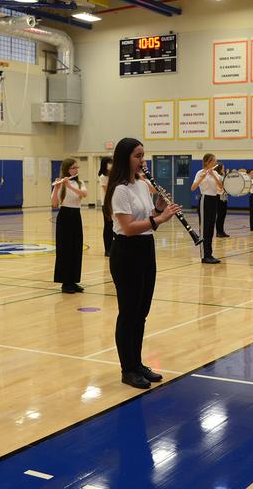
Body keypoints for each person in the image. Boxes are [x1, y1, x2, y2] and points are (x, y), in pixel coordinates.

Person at [104, 138, 182, 389]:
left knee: (142, 313)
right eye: (138, 156)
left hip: (146, 249)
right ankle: (128, 369)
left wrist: (159, 206)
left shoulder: (142, 184)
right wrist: (160, 219)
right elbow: (127, 228)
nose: (143, 160)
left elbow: (146, 217)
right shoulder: (119, 190)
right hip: (126, 251)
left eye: (143, 155)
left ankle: (137, 363)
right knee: (129, 313)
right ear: (125, 157)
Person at [52, 158, 88, 293]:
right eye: (74, 168)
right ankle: (65, 282)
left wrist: (70, 186)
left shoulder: (80, 183)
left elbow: (84, 194)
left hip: (76, 216)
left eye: (77, 167)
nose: (76, 170)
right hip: (64, 216)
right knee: (64, 250)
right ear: (67, 169)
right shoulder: (60, 184)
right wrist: (56, 188)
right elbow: (55, 204)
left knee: (76, 249)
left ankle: (73, 281)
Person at [192, 153, 224, 263]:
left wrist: (213, 175)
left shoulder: (215, 173)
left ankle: (209, 254)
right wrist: (202, 177)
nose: (216, 162)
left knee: (210, 228)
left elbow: (221, 186)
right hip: (204, 200)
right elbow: (193, 188)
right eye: (214, 160)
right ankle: (204, 256)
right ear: (208, 162)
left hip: (214, 199)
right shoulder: (200, 173)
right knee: (204, 229)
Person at [98, 157, 113, 256]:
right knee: (108, 226)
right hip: (107, 204)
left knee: (113, 226)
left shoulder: (111, 175)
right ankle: (107, 249)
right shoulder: (103, 176)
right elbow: (108, 190)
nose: (111, 165)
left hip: (113, 204)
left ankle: (112, 247)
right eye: (110, 163)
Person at [214, 163, 229, 238]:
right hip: (219, 196)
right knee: (220, 215)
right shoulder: (218, 176)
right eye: (223, 167)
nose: (224, 169)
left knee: (223, 215)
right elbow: (220, 186)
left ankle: (222, 231)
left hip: (224, 196)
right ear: (219, 168)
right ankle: (218, 232)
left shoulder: (223, 176)